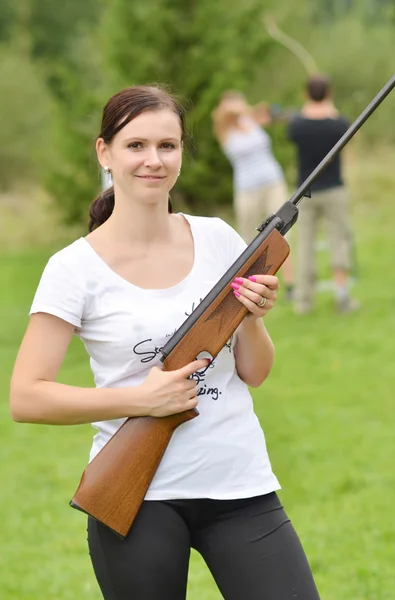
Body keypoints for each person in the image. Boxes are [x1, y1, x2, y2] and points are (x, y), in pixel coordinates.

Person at [10, 85, 321, 600]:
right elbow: (26, 396)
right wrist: (141, 400)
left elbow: (255, 372)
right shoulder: (72, 269)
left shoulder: (219, 238)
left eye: (168, 146)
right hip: (137, 499)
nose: (153, 160)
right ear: (104, 153)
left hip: (239, 484)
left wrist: (252, 318)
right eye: (136, 146)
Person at [212, 90, 295, 301]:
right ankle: (250, 287)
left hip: (272, 181)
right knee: (248, 237)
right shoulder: (223, 129)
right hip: (247, 188)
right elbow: (222, 114)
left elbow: (270, 110)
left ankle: (291, 285)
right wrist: (237, 107)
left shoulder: (251, 120)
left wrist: (252, 111)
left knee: (282, 231)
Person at [288, 74, 360, 314]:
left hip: (305, 191)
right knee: (338, 240)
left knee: (305, 245)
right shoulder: (337, 123)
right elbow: (346, 130)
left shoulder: (297, 124)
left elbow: (294, 128)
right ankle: (342, 297)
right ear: (328, 94)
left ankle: (303, 302)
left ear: (306, 94)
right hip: (334, 190)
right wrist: (331, 110)